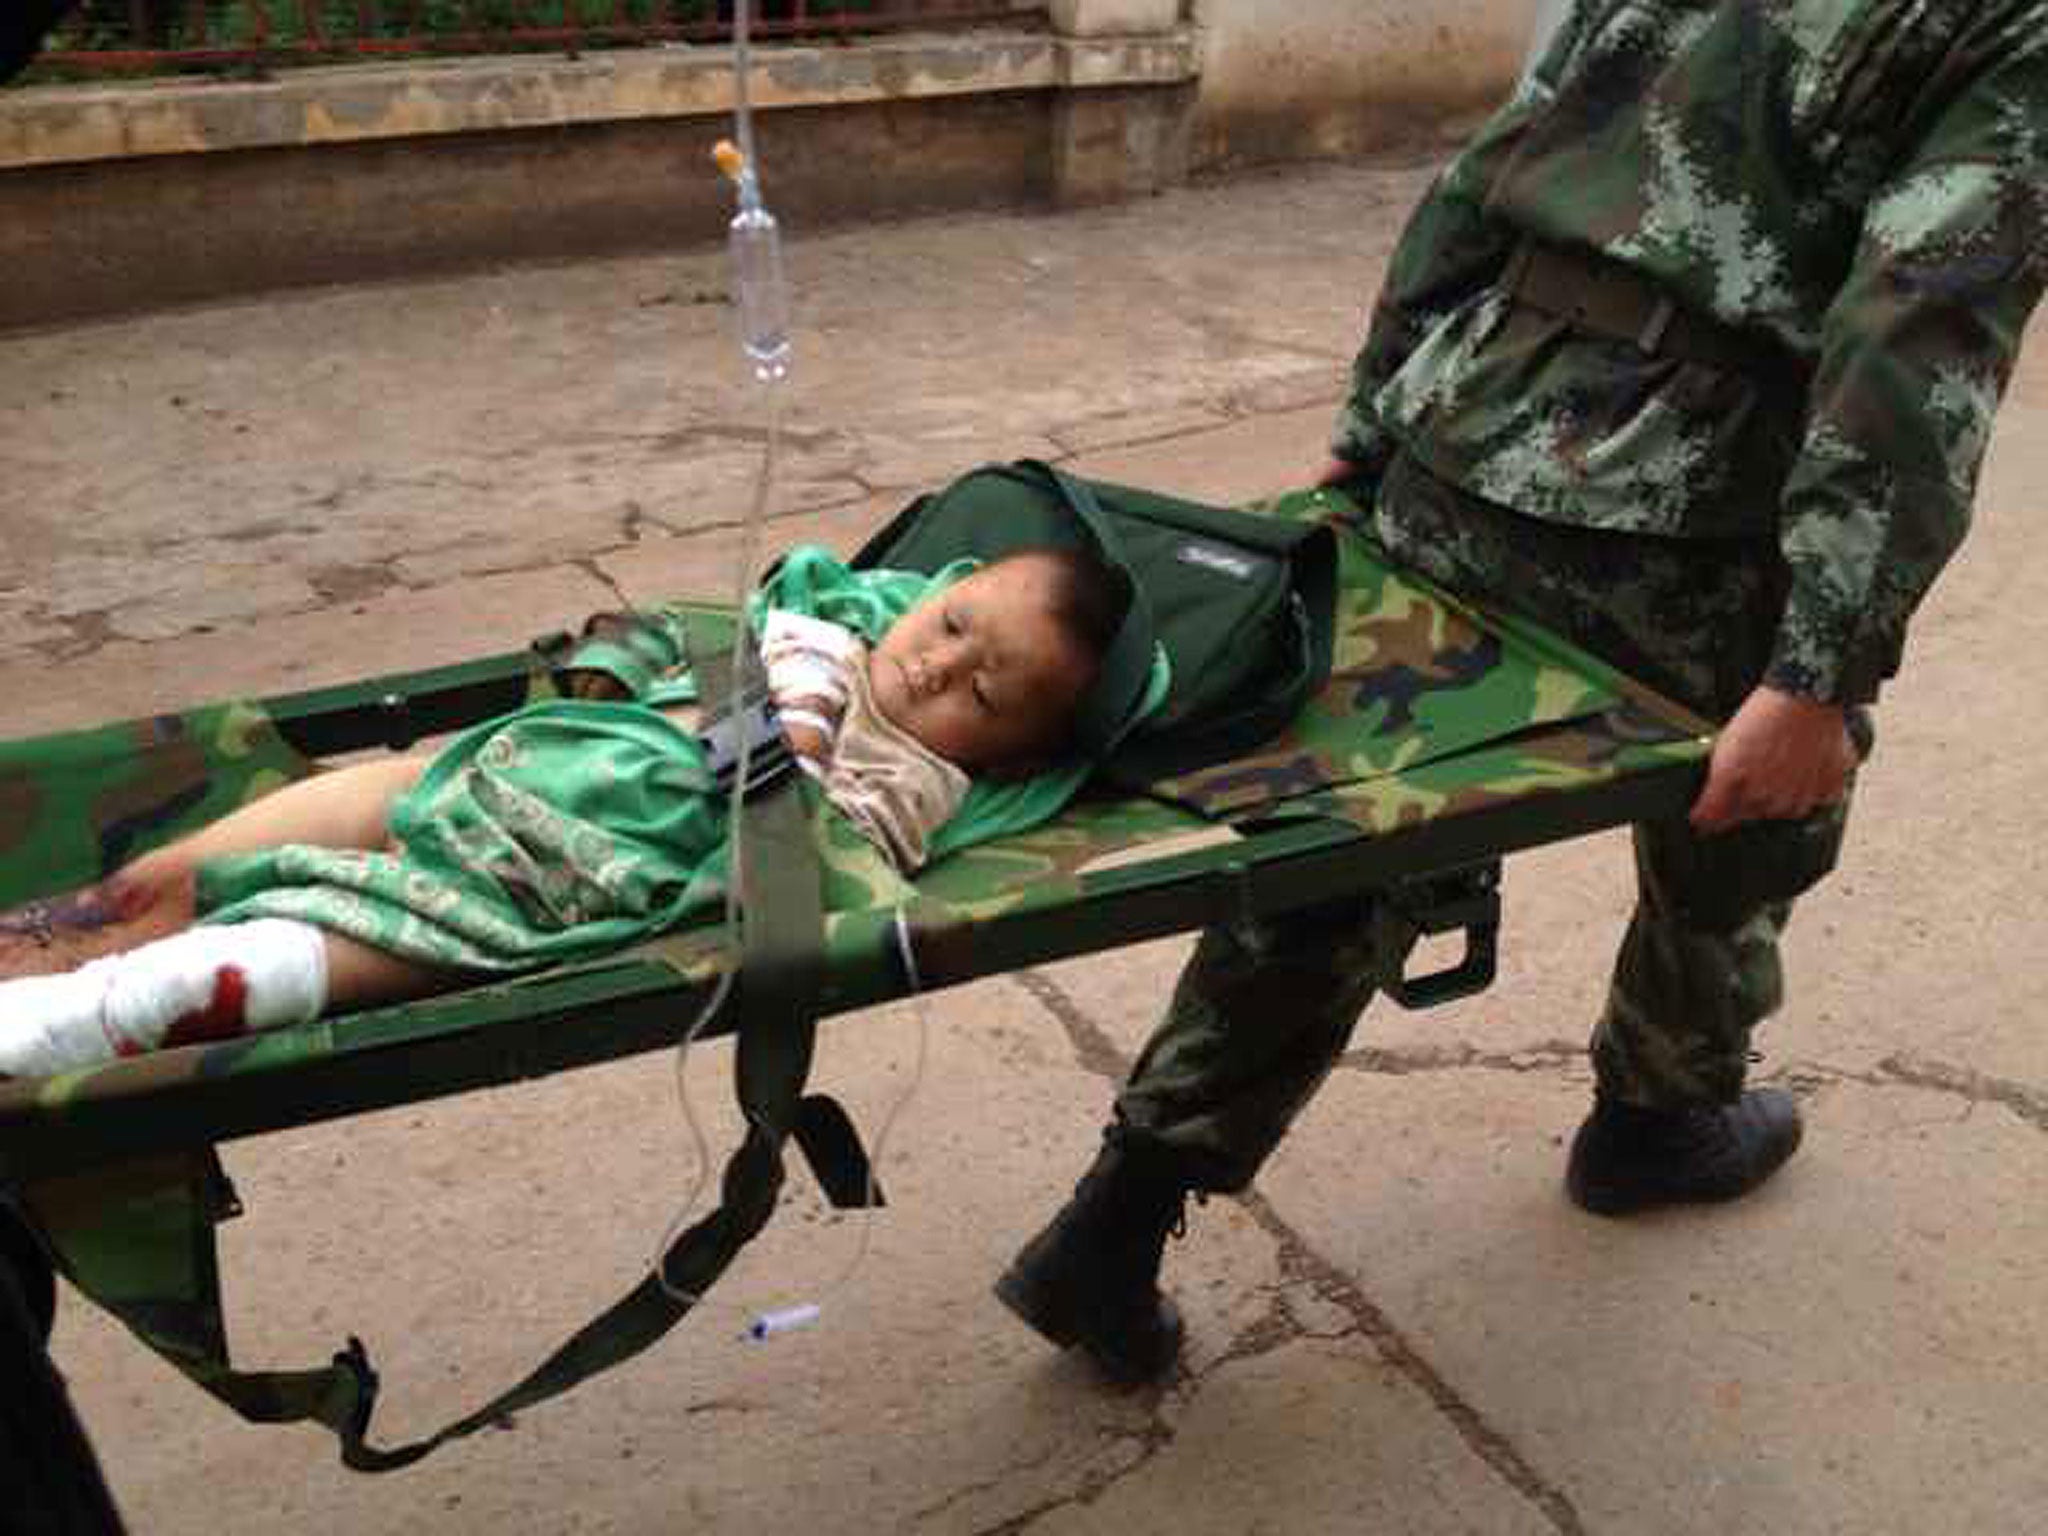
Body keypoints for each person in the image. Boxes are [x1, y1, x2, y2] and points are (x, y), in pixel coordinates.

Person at [996, 0, 2048, 1384]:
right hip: (1682, 515)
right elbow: (1917, 337)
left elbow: (1492, 161)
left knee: (1357, 826)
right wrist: (1821, 670)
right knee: (1758, 800)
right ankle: (1661, 1115)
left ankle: (1119, 1214)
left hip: (1465, 431)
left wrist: (1374, 419)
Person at [0, 543, 1134, 1077]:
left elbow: (833, 859)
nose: (938, 670)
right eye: (949, 627)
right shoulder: (826, 629)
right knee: (212, 862)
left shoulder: (918, 782)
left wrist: (797, 779)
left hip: (550, 884)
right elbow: (783, 654)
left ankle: (72, 1016)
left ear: (1009, 752)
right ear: (931, 595)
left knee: (267, 959)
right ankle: (65, 930)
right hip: (519, 770)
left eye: (983, 693)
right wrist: (787, 709)